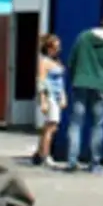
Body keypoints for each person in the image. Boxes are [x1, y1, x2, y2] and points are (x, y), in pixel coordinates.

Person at [64, 13, 103, 174]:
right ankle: (94, 162)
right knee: (98, 125)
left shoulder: (83, 37)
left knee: (76, 123)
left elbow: (71, 61)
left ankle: (72, 161)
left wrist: (74, 79)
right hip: (102, 86)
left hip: (80, 82)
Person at [29, 33, 67, 167]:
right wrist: (43, 100)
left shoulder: (57, 62)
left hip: (56, 96)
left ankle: (39, 154)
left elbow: (60, 81)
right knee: (51, 126)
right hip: (49, 95)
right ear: (48, 48)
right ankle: (45, 155)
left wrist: (63, 96)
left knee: (50, 126)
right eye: (56, 47)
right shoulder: (44, 62)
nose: (58, 49)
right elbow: (41, 82)